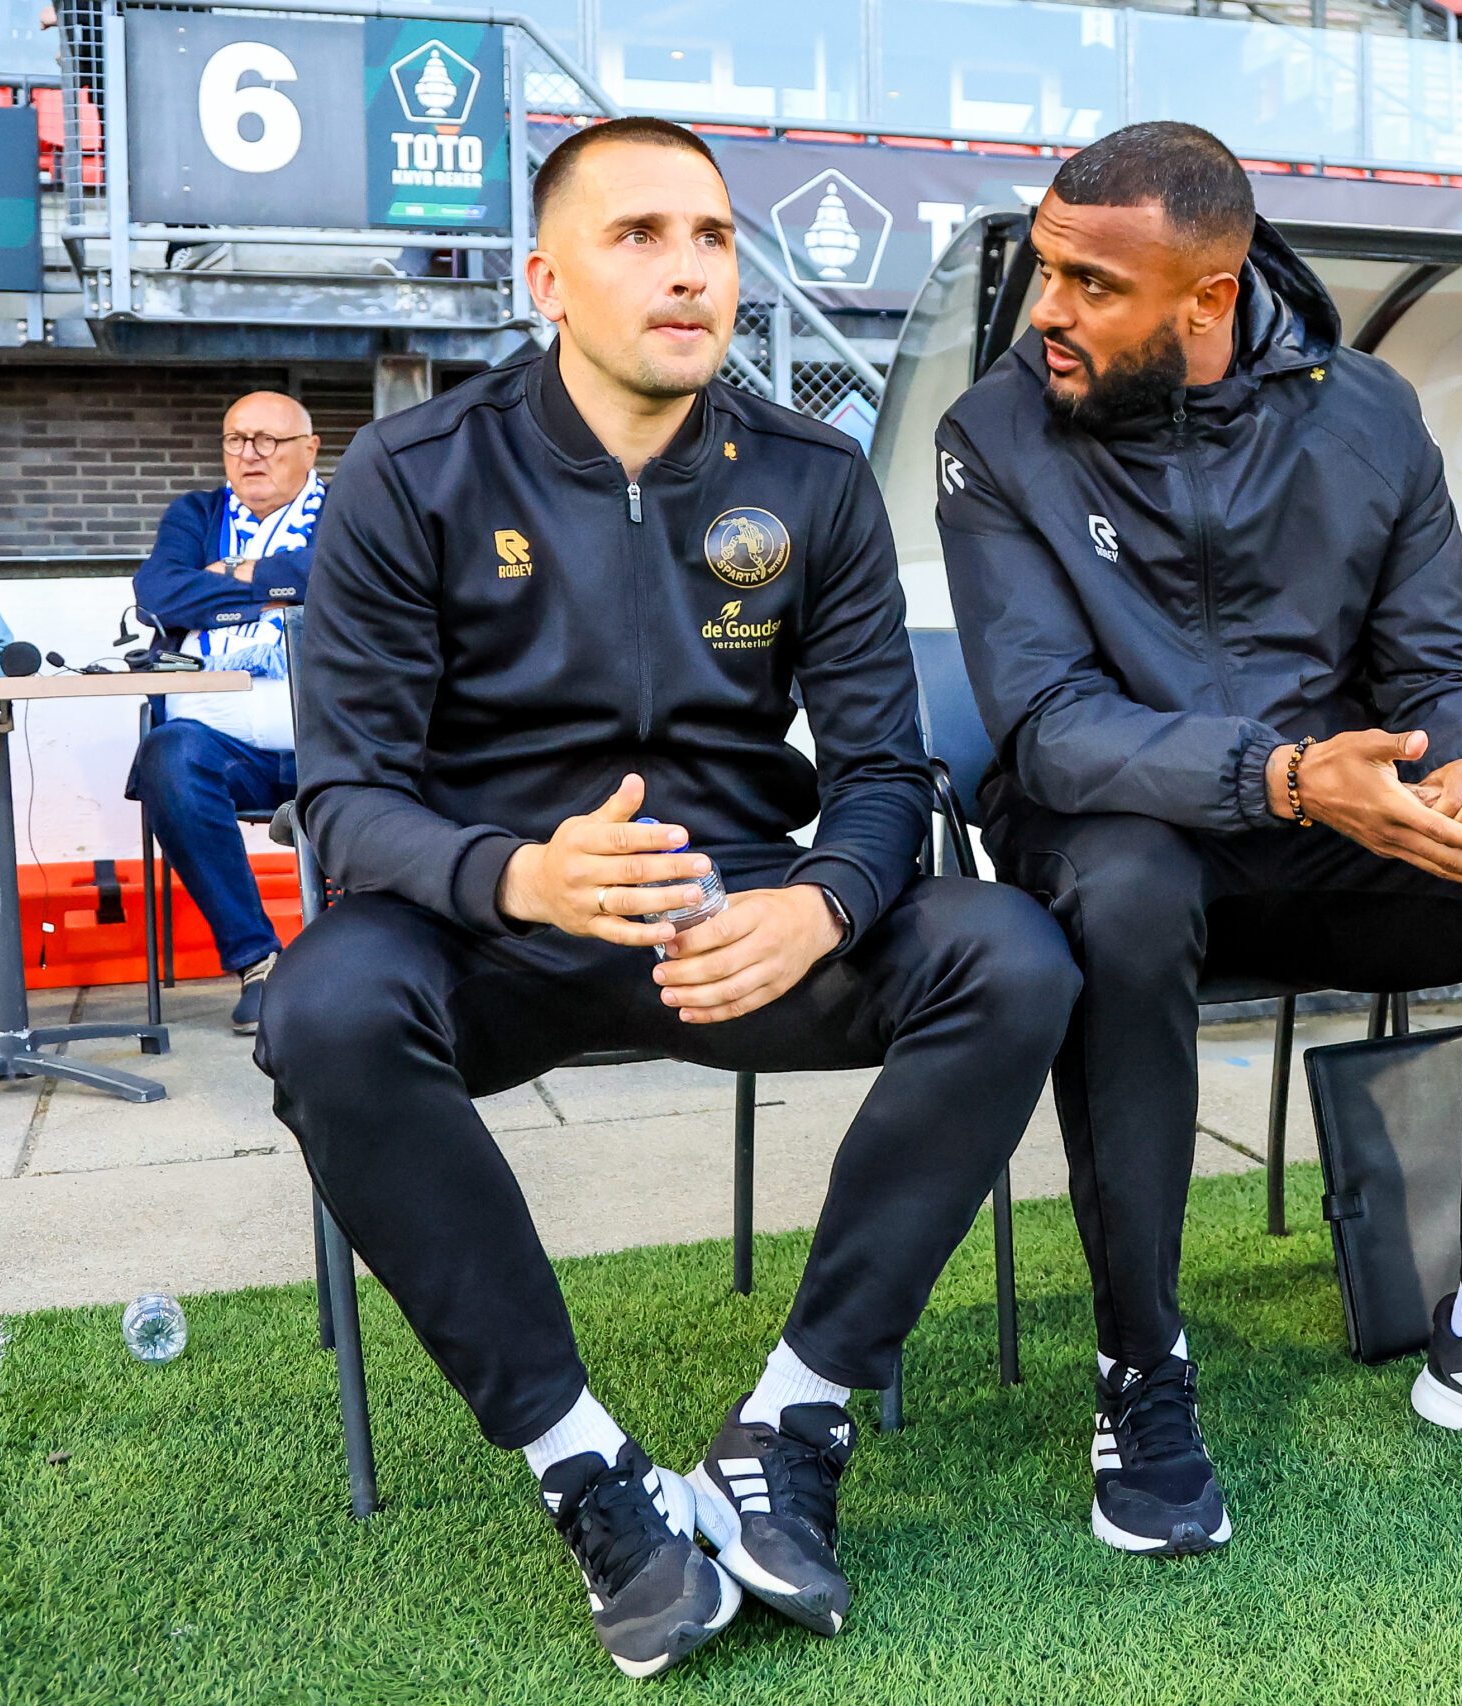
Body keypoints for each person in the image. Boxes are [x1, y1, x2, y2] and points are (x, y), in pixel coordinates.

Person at [256, 117, 1079, 1680]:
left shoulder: (812, 480)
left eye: (711, 236)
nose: (689, 269)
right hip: (497, 921)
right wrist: (519, 874)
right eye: (639, 235)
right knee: (324, 1007)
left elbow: (885, 772)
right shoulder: (412, 477)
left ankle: (795, 1421)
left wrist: (823, 904)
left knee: (1012, 953)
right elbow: (347, 800)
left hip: (738, 923)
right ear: (546, 279)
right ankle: (587, 1466)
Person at [937, 121, 1462, 1556]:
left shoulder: (1367, 413)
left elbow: (1444, 658)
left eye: (1092, 284)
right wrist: (1279, 773)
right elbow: (1049, 724)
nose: (1048, 310)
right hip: (1129, 825)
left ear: (1210, 299)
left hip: (1333, 822)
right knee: (1128, 890)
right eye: (1048, 267)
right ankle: (1141, 1361)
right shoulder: (994, 431)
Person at [126, 391, 322, 1033]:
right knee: (168, 755)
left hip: (332, 743)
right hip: (222, 749)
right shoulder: (196, 513)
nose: (249, 454)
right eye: (236, 439)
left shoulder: (348, 510)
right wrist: (278, 592)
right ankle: (257, 960)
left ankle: (351, 958)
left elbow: (337, 574)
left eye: (268, 440)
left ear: (309, 449)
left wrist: (233, 573)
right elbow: (159, 592)